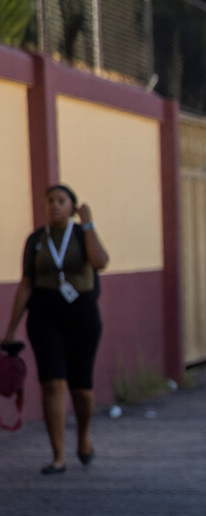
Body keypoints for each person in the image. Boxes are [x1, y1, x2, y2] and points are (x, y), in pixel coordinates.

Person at [3, 185, 109, 474]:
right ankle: (58, 456)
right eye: (49, 201)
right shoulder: (36, 240)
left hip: (82, 314)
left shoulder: (80, 234)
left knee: (81, 387)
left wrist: (87, 223)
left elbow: (100, 262)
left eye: (61, 201)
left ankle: (84, 436)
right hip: (44, 315)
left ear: (73, 206)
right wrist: (11, 329)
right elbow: (26, 283)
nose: (54, 206)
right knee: (53, 382)